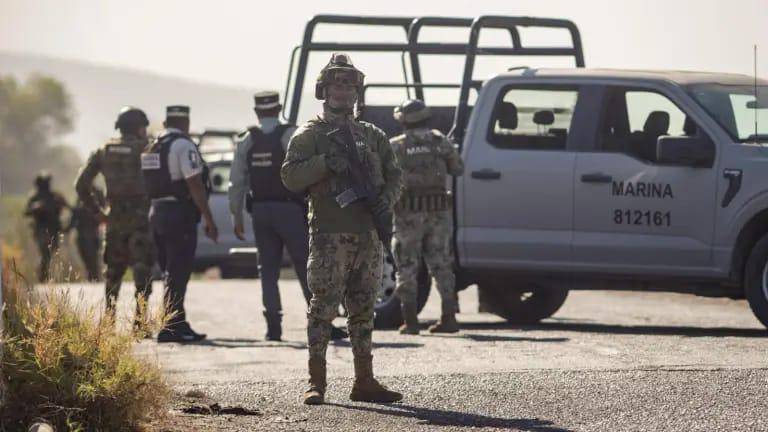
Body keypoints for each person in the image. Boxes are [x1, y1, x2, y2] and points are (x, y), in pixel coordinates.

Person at [282, 53, 404, 405]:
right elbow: (290, 177)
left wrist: (386, 200)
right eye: (336, 86)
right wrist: (324, 163)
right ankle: (316, 382)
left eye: (349, 87)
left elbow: (395, 176)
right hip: (329, 236)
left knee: (364, 309)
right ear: (323, 90)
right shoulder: (310, 135)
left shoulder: (372, 135)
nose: (343, 92)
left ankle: (364, 381)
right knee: (323, 308)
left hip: (368, 235)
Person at [228, 90, 348, 341]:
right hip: (290, 209)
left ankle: (273, 328)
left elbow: (236, 182)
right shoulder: (291, 134)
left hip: (260, 211)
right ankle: (321, 323)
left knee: (267, 270)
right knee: (306, 266)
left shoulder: (247, 139)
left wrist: (236, 217)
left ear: (256, 111)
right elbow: (310, 170)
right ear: (279, 108)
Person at [75, 107, 156, 335]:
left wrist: (98, 212)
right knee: (142, 270)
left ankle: (109, 322)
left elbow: (81, 185)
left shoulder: (104, 151)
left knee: (113, 272)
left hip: (114, 220)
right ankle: (139, 324)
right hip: (141, 219)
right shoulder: (146, 150)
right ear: (139, 128)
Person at [142, 105, 218, 343]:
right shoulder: (183, 145)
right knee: (178, 271)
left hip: (157, 212)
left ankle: (177, 321)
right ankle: (171, 326)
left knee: (169, 271)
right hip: (178, 214)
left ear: (166, 122)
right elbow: (194, 183)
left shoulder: (153, 146)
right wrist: (208, 218)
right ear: (185, 123)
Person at [390, 99, 464, 335]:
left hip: (407, 215)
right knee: (441, 264)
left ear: (403, 120)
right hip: (438, 213)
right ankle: (449, 318)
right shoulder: (440, 141)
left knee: (407, 265)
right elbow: (458, 168)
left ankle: (410, 321)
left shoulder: (396, 146)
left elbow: (383, 177)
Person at [24, 173, 68, 282]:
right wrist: (36, 207)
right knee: (45, 252)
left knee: (51, 251)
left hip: (54, 229)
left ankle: (43, 273)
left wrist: (59, 204)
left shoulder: (55, 196)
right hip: (41, 229)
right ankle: (43, 275)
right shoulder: (35, 197)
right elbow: (26, 212)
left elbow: (66, 206)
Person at [66, 189, 104, 282]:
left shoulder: (92, 207)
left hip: (90, 237)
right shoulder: (82, 207)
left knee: (92, 260)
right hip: (85, 237)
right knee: (89, 261)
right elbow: (72, 223)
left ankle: (94, 278)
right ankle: (93, 278)